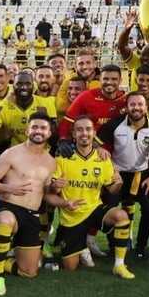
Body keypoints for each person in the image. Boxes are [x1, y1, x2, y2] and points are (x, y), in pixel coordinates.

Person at [47, 116, 135, 279]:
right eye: (79, 130)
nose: (84, 133)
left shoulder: (103, 159)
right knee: (70, 267)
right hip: (72, 216)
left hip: (94, 208)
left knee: (121, 216)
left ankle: (119, 265)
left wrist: (118, 183)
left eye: (88, 129)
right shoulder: (61, 159)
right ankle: (80, 247)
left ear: (94, 133)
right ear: (73, 134)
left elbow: (112, 190)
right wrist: (56, 188)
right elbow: (50, 192)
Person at [0, 113, 57, 295]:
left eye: (43, 128)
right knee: (6, 221)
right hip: (9, 207)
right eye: (34, 127)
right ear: (27, 130)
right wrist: (8, 188)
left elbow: (46, 194)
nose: (38, 131)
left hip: (32, 214)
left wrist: (56, 189)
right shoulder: (11, 153)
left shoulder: (51, 162)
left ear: (49, 133)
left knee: (29, 272)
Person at [98, 93, 149, 259]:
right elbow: (98, 143)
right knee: (111, 209)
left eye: (140, 104)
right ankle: (114, 246)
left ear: (146, 107)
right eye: (132, 104)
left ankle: (140, 247)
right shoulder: (115, 124)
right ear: (126, 107)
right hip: (117, 174)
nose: (136, 108)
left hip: (143, 175)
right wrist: (103, 152)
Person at [58, 64, 125, 138]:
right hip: (90, 145)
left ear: (120, 81)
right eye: (105, 79)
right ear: (100, 79)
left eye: (114, 79)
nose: (109, 82)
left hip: (119, 145)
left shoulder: (125, 100)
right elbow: (67, 122)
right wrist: (63, 139)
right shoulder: (86, 96)